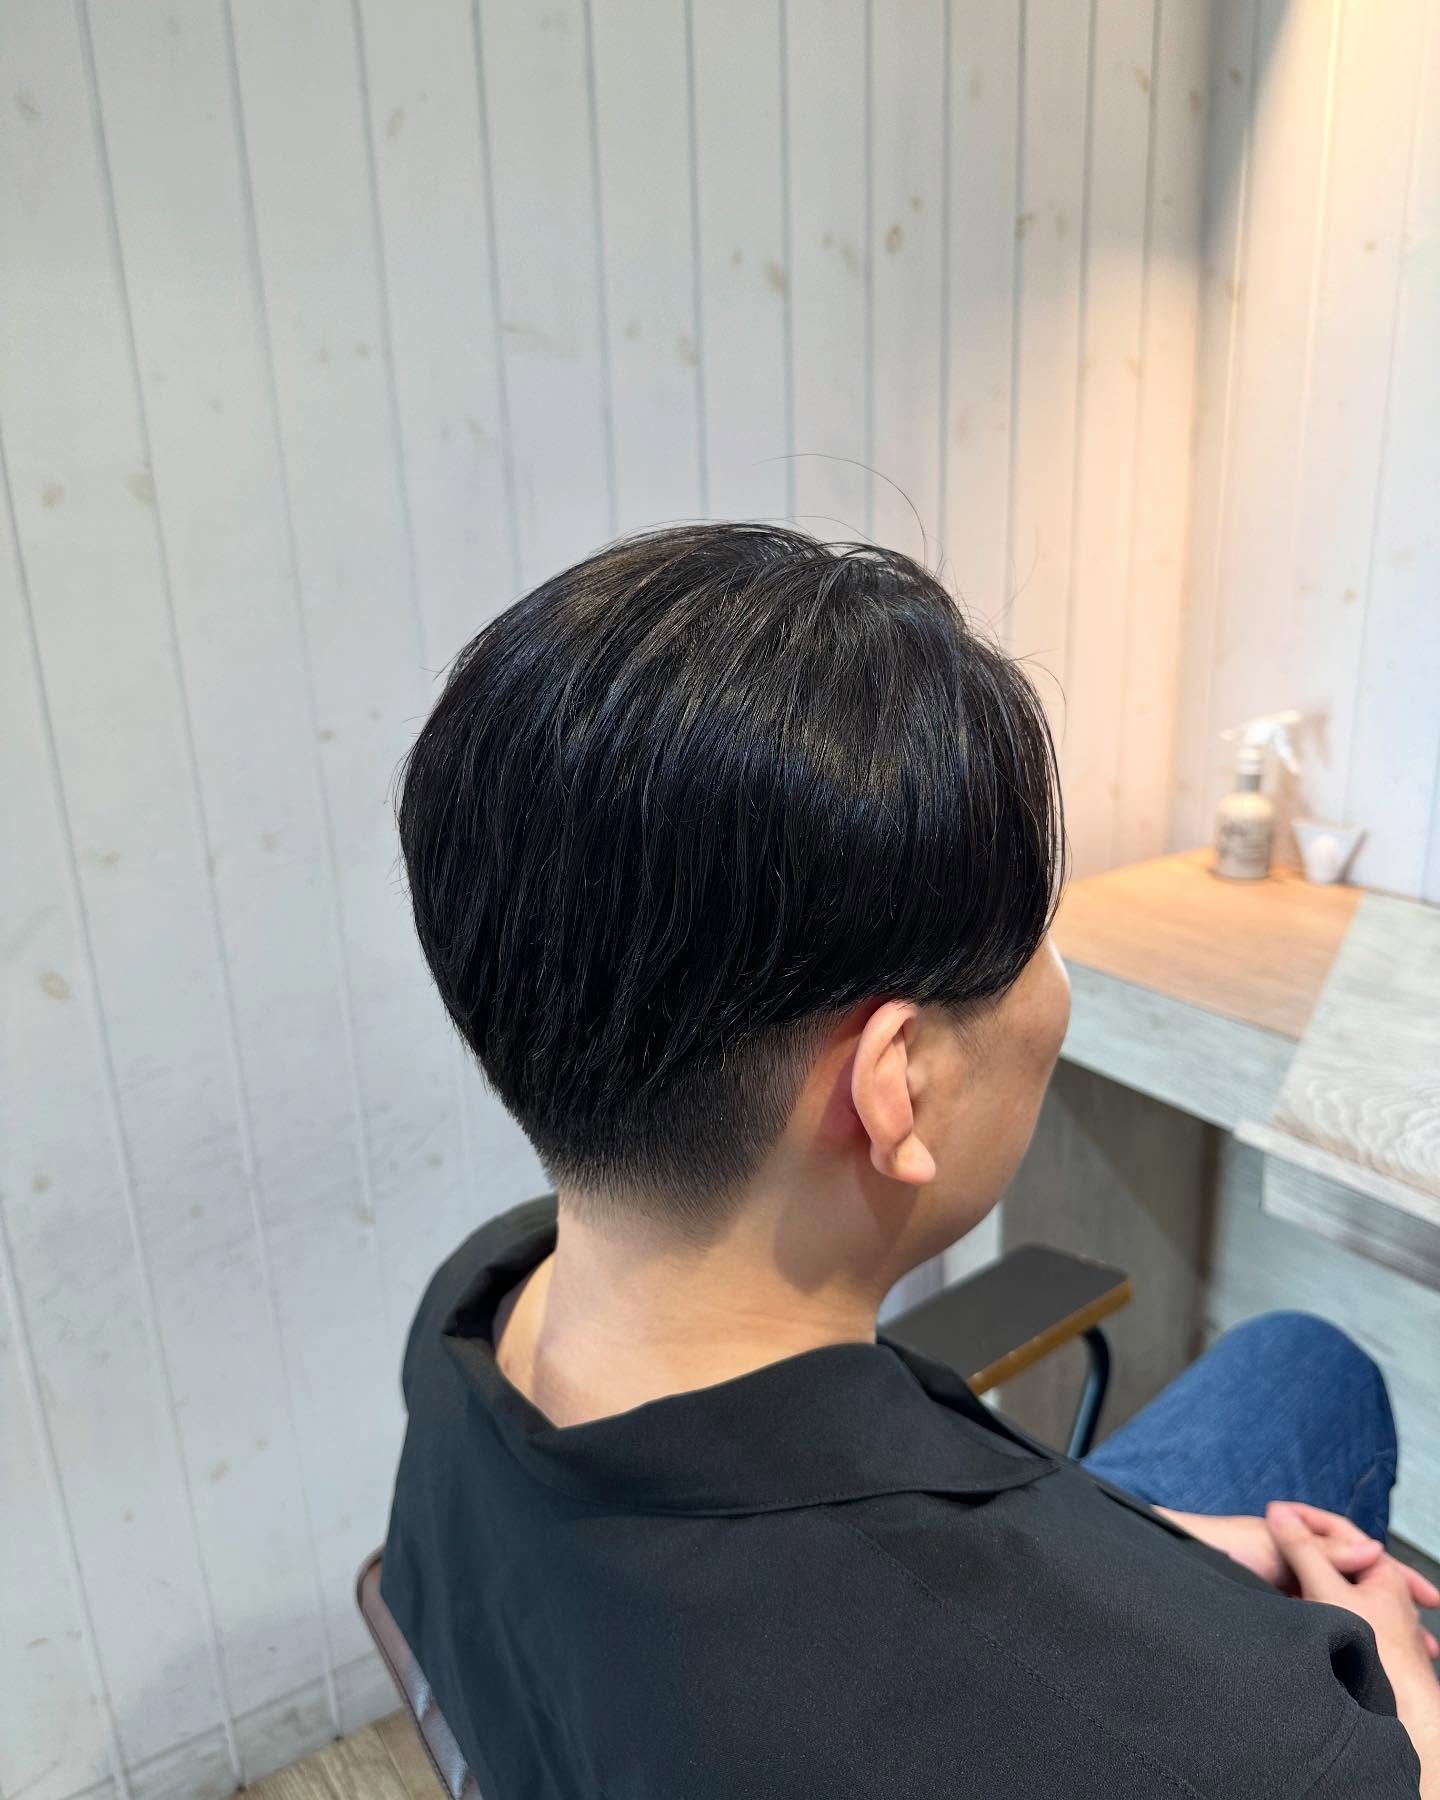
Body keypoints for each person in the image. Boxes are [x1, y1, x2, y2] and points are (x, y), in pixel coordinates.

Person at [382, 524, 1439, 1798]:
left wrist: (1166, 1549)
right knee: (1317, 1378)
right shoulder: (1246, 1748)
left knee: (1300, 1372)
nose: (1056, 980)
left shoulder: (477, 1300)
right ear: (900, 1084)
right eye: (1041, 932)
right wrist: (1396, 1697)